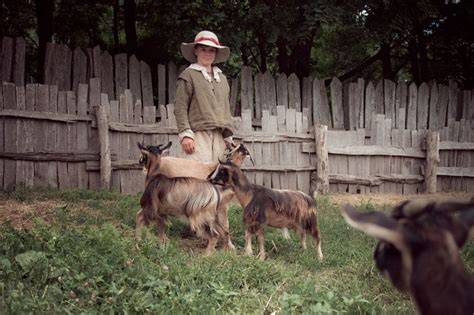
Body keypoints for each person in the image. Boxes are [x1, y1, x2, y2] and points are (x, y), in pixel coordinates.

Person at [174, 30, 235, 163]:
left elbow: (225, 109)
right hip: (197, 136)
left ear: (216, 53)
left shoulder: (222, 79)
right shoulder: (188, 75)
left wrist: (227, 137)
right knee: (194, 179)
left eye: (211, 50)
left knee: (217, 180)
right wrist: (185, 135)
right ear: (196, 51)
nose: (207, 54)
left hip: (219, 138)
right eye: (203, 49)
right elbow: (180, 107)